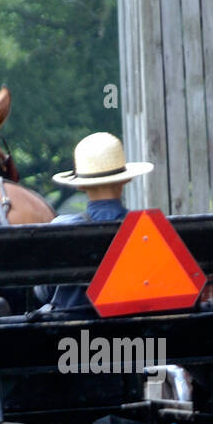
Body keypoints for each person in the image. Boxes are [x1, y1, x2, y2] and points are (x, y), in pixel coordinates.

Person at [36, 132, 154, 311]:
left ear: (80, 185)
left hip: (71, 335)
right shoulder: (148, 230)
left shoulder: (60, 228)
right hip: (140, 334)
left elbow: (43, 292)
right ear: (126, 180)